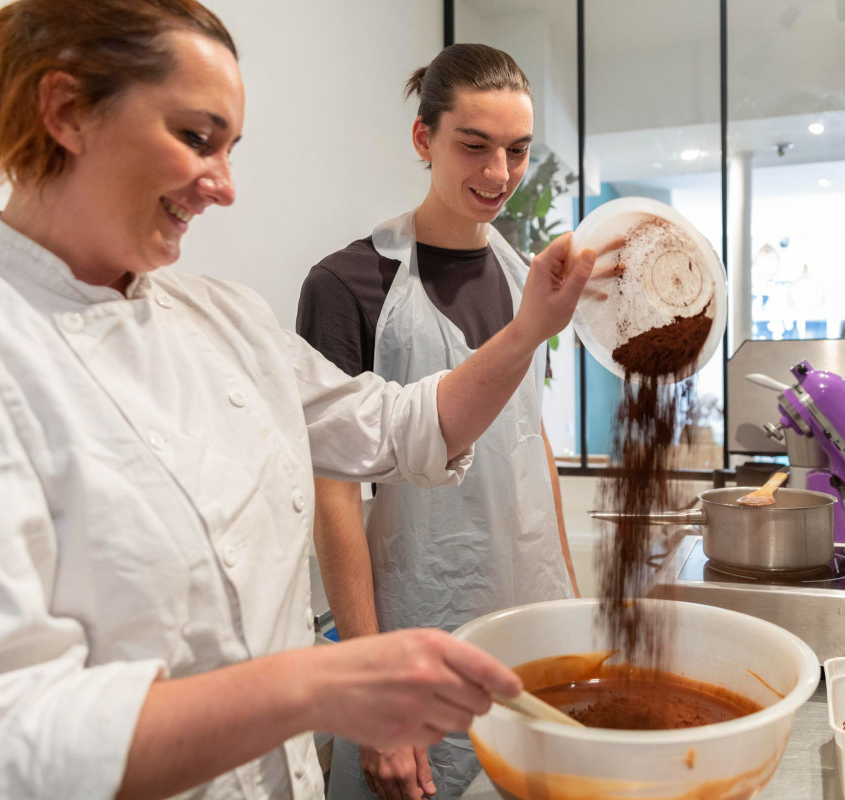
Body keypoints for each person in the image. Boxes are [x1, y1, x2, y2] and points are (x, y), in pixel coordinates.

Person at [0, 4, 594, 800]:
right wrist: (325, 683)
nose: (223, 186)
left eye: (230, 148)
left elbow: (404, 428)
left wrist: (533, 324)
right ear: (66, 112)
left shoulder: (224, 320)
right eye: (196, 138)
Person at [296, 44, 578, 800]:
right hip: (416, 618)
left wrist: (573, 605)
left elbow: (530, 437)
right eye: (474, 146)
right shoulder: (347, 284)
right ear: (425, 140)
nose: (499, 175)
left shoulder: (527, 281)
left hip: (529, 608)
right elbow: (332, 493)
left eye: (517, 151)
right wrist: (372, 688)